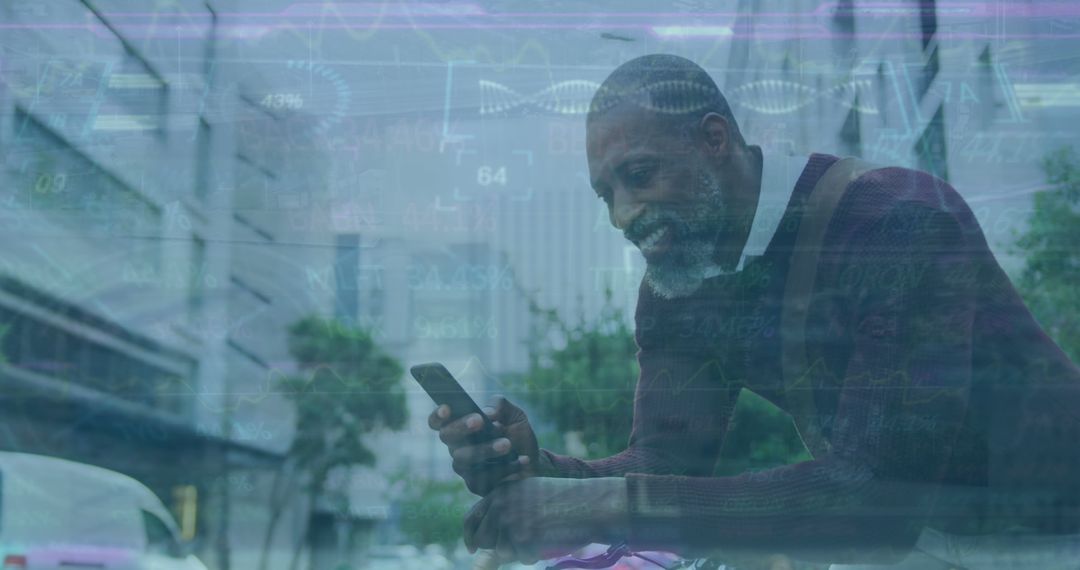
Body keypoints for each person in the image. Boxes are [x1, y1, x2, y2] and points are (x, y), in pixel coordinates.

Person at [428, 54, 1080, 568]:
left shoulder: (898, 222)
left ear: (715, 140)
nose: (623, 217)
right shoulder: (677, 285)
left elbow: (878, 501)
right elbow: (664, 470)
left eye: (641, 175)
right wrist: (543, 480)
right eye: (606, 195)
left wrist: (596, 503)